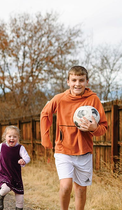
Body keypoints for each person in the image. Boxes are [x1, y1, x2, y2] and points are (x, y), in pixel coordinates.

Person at [40, 66, 108, 210]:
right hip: (63, 150)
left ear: (87, 82)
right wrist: (46, 139)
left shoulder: (93, 100)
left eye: (81, 80)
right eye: (74, 80)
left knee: (81, 189)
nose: (77, 83)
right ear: (68, 82)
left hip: (84, 152)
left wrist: (94, 129)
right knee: (65, 186)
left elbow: (103, 128)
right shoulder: (60, 99)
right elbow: (45, 114)